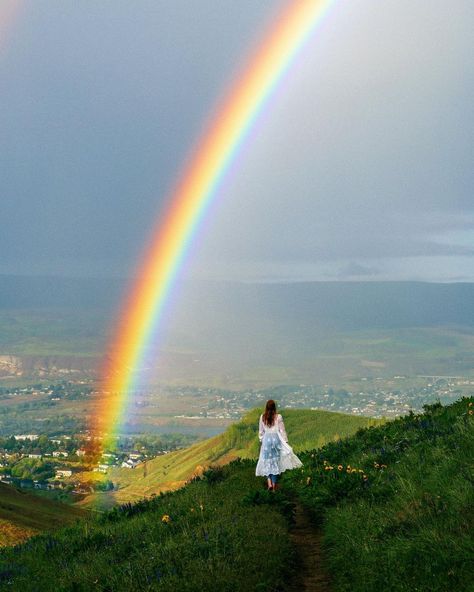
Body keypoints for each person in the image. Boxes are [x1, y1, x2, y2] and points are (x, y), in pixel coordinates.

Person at [255, 399, 302, 490]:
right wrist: (285, 442)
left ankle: (269, 483)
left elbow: (261, 432)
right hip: (276, 441)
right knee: (275, 462)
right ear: (274, 407)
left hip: (266, 441)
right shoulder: (278, 417)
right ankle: (274, 484)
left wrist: (262, 440)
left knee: (267, 462)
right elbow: (282, 431)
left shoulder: (262, 417)